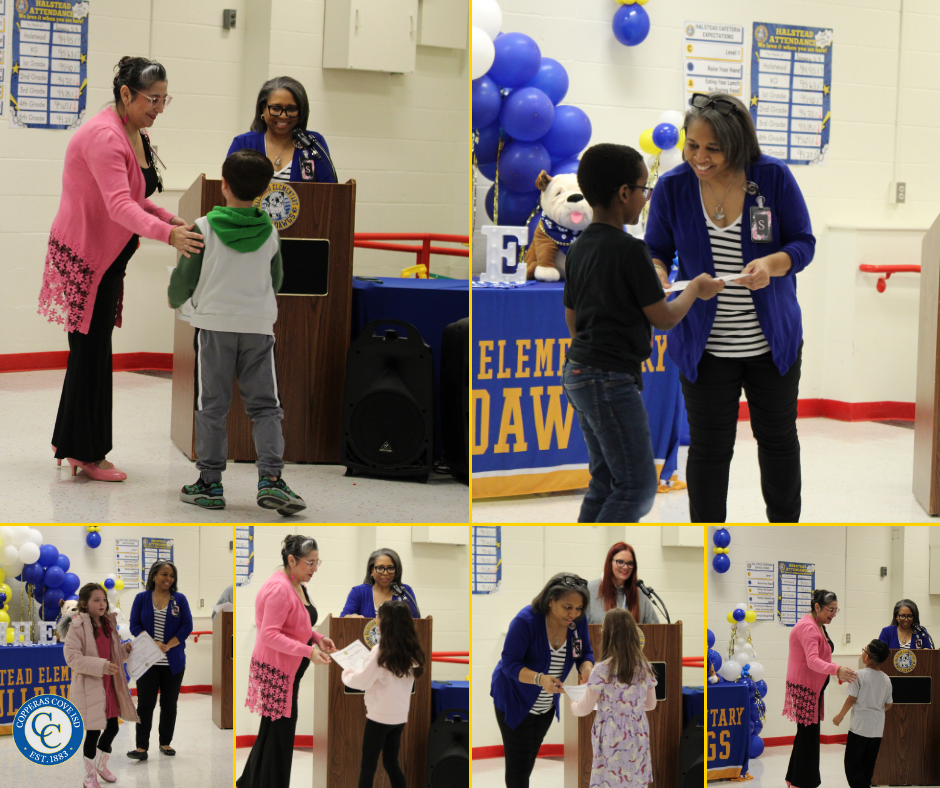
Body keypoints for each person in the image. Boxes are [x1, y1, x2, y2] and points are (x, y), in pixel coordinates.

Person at [645, 92, 816, 523]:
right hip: (704, 347)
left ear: (738, 144)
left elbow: (803, 243)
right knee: (709, 448)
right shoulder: (673, 187)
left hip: (771, 344)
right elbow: (656, 249)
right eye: (692, 145)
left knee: (777, 440)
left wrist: (772, 265)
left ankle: (785, 529)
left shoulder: (772, 177)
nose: (700, 158)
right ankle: (706, 536)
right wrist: (658, 271)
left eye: (713, 148)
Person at [39, 56, 204, 481]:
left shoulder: (134, 131)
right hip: (86, 257)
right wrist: (167, 235)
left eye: (165, 99)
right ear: (126, 94)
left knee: (91, 352)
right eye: (153, 99)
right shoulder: (104, 136)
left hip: (106, 258)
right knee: (90, 353)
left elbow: (135, 195)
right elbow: (118, 206)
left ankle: (69, 443)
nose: (159, 109)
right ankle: (86, 453)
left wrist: (167, 218)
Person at [562, 142, 725, 523]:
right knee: (637, 487)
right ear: (624, 193)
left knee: (606, 481)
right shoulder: (632, 250)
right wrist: (695, 290)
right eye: (642, 189)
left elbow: (573, 321)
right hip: (610, 379)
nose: (645, 197)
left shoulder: (579, 247)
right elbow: (664, 318)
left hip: (578, 372)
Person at [168, 148, 306, 515]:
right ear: (263, 191)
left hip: (214, 328)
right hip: (258, 328)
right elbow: (276, 280)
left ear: (224, 185)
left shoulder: (203, 227)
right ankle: (271, 479)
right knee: (265, 406)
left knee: (212, 406)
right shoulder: (271, 232)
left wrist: (174, 298)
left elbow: (185, 277)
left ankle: (210, 483)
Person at [237, 535, 337, 788]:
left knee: (272, 733)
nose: (314, 569)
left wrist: (317, 638)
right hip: (277, 671)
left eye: (317, 562)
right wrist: (308, 651)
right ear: (292, 560)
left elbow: (297, 623)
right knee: (280, 736)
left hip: (286, 671)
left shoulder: (296, 582)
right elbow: (270, 634)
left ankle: (251, 781)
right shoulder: (279, 588)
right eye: (310, 563)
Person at [490, 573, 595, 788]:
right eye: (567, 607)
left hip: (545, 704)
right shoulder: (526, 621)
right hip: (514, 700)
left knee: (528, 761)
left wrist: (587, 668)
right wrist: (539, 679)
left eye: (579, 608)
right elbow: (509, 663)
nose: (573, 614)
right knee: (519, 767)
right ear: (550, 601)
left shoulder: (577, 622)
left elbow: (584, 653)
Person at [341, 601, 426, 788]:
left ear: (385, 623)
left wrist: (347, 673)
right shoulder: (413, 649)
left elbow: (361, 682)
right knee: (391, 762)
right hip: (399, 716)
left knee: (368, 766)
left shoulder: (381, 651)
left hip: (379, 717)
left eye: (378, 618)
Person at [62, 583, 138, 788]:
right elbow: (72, 658)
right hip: (90, 687)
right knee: (93, 732)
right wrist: (101, 666)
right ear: (84, 604)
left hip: (109, 686)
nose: (102, 603)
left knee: (112, 728)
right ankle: (89, 776)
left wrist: (125, 650)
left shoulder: (109, 625)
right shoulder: (77, 626)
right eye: (96, 600)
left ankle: (101, 766)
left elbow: (113, 654)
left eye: (104, 599)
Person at [570, 609, 658, 788]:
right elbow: (650, 704)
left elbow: (585, 708)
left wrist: (573, 705)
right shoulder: (645, 667)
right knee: (634, 778)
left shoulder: (602, 669)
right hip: (638, 731)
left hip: (611, 733)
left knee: (610, 779)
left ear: (606, 634)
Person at [783, 589, 858, 788]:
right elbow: (812, 661)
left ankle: (793, 778)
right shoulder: (809, 627)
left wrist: (836, 671)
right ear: (817, 607)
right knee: (808, 738)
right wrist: (836, 669)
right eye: (830, 610)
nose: (833, 614)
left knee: (805, 736)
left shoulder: (818, 624)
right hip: (805, 688)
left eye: (836, 610)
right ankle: (802, 782)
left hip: (811, 688)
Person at [128, 560, 193, 759]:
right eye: (164, 574)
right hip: (147, 663)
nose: (168, 579)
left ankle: (165, 742)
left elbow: (187, 625)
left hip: (173, 663)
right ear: (154, 576)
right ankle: (141, 748)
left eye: (172, 575)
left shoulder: (179, 599)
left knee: (169, 704)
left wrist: (168, 645)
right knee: (145, 705)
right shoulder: (141, 598)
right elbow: (134, 625)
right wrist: (153, 643)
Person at [228, 76, 337, 184]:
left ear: (301, 111)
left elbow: (328, 188)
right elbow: (229, 186)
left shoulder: (313, 143)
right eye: (276, 108)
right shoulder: (243, 143)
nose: (283, 116)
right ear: (263, 109)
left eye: (291, 109)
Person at [831, 639, 892, 788]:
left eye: (864, 650)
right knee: (868, 763)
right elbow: (888, 704)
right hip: (877, 729)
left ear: (867, 657)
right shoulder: (886, 679)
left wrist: (840, 716)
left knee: (852, 762)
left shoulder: (858, 675)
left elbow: (851, 699)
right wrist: (876, 710)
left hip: (859, 728)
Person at [586, 542, 659, 625]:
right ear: (610, 563)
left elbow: (654, 628)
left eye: (630, 563)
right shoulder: (590, 589)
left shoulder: (640, 593)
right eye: (620, 562)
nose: (625, 567)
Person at [341, 548, 419, 618]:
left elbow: (416, 620)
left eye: (390, 568)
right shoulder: (358, 591)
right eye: (380, 568)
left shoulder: (404, 591)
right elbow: (344, 616)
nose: (385, 573)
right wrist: (352, 617)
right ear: (371, 570)